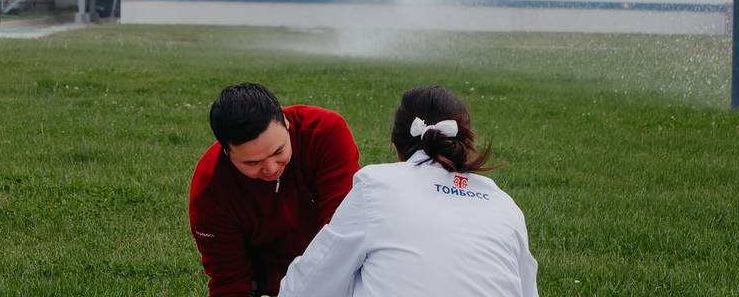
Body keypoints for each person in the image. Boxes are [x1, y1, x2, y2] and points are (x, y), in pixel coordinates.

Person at [279, 86, 539, 297]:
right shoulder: (503, 204)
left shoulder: (376, 184)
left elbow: (310, 284)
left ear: (396, 148)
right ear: (464, 143)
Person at [189, 83, 361, 296]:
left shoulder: (325, 133)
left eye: (278, 151)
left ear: (286, 122)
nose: (270, 169)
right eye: (252, 163)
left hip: (343, 274)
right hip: (270, 287)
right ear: (227, 153)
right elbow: (229, 280)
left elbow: (343, 232)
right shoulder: (210, 192)